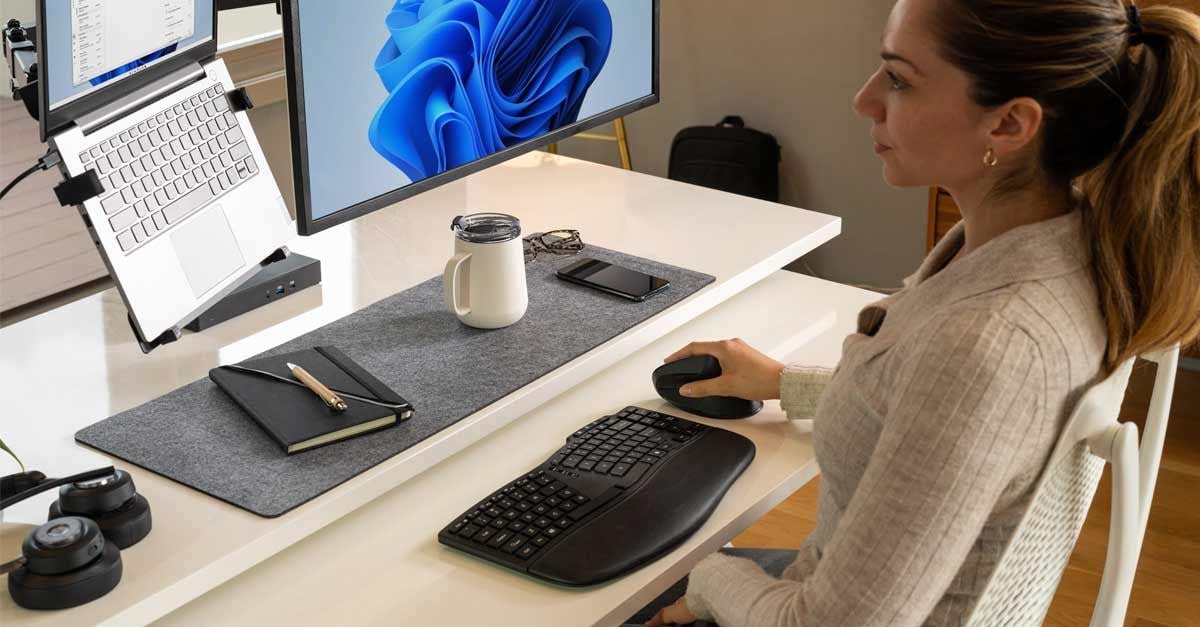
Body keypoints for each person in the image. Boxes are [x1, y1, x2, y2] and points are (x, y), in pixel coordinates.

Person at [634, 1, 1200, 625]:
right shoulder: (1065, 248)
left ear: (1010, 125)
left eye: (899, 79)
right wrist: (781, 383)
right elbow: (952, 418)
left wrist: (709, 574)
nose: (865, 100)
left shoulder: (989, 338)